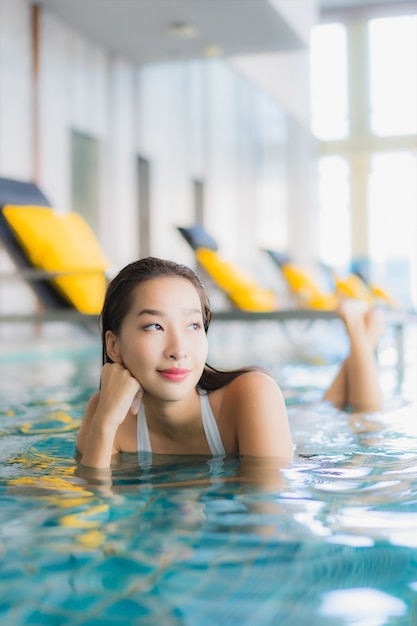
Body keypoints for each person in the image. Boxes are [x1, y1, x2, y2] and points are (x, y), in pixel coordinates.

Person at [76, 257, 383, 470]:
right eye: (155, 326)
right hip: (286, 420)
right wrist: (104, 424)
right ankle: (362, 343)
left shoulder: (253, 394)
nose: (179, 350)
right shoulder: (104, 412)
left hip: (297, 433)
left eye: (193, 326)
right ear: (113, 346)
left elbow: (266, 519)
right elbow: (92, 514)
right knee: (329, 405)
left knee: (359, 418)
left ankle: (358, 335)